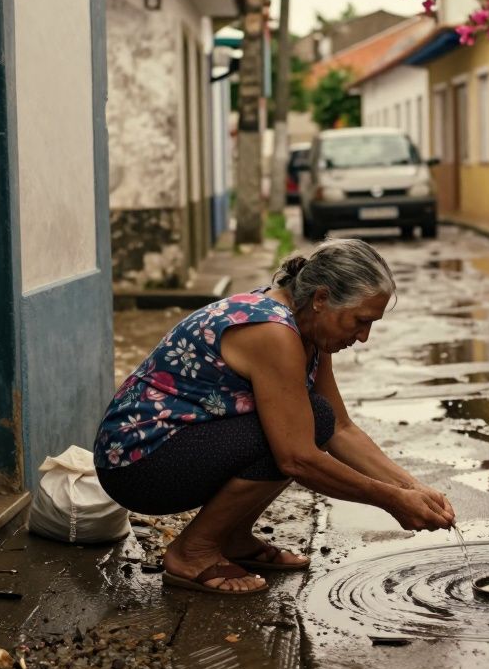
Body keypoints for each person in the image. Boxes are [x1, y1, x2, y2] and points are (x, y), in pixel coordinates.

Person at [93, 239, 455, 594]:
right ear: (321, 299)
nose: (363, 337)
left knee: (318, 419)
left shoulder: (308, 327)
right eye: (359, 321)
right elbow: (297, 458)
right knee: (297, 433)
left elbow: (341, 429)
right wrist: (391, 500)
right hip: (138, 463)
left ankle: (232, 538)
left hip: (178, 447)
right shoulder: (273, 332)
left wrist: (412, 488)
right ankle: (193, 551)